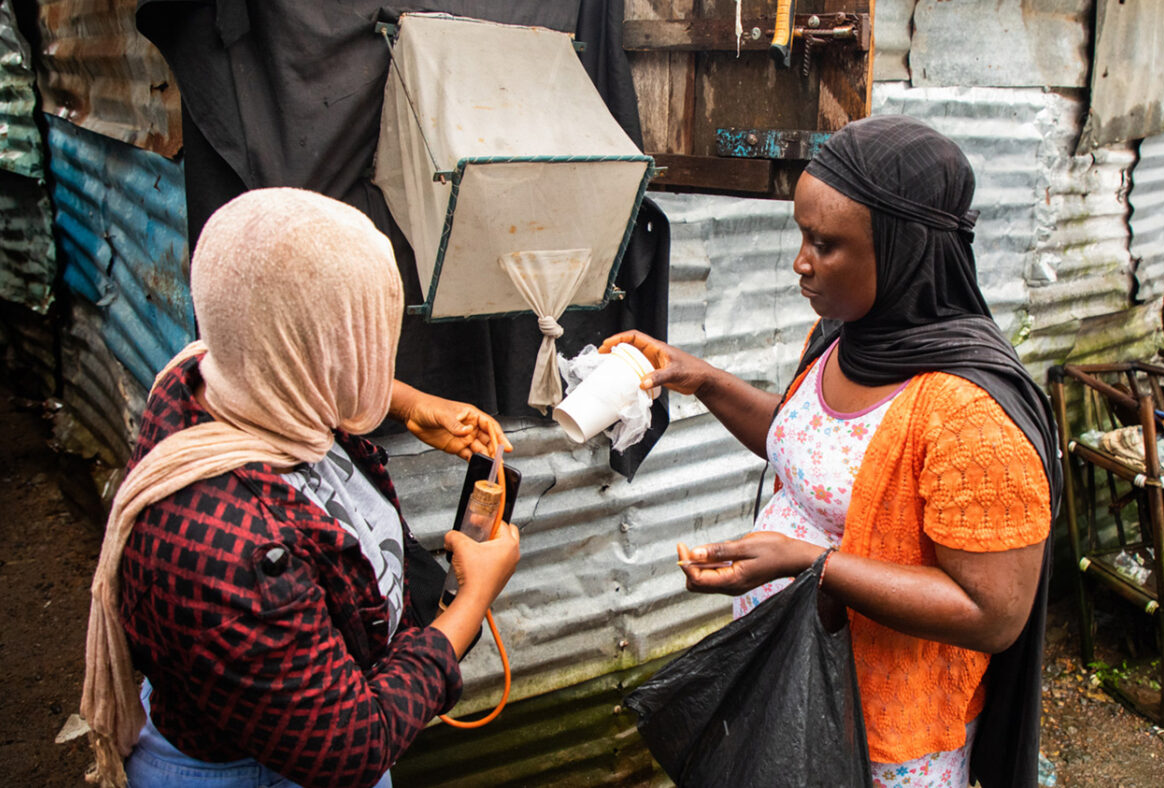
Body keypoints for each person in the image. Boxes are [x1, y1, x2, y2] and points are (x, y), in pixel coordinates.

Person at [602, 115, 1060, 788]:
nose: (801, 261)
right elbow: (811, 455)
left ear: (905, 252)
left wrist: (811, 564)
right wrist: (706, 381)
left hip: (881, 727)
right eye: (801, 234)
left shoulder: (969, 413)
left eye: (826, 243)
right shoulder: (843, 336)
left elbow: (994, 614)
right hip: (792, 676)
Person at [79, 188, 521, 788]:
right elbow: (350, 748)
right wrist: (474, 597)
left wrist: (409, 402)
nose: (380, 352)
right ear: (306, 351)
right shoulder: (230, 554)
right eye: (366, 336)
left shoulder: (212, 376)